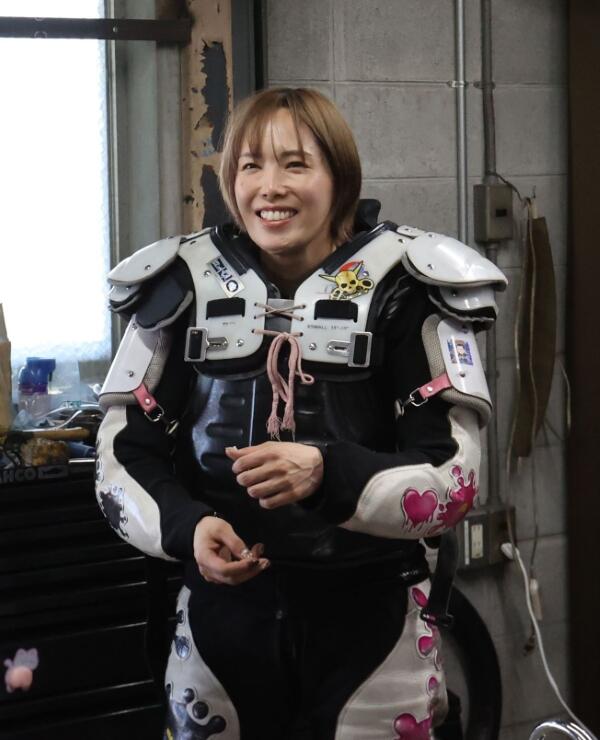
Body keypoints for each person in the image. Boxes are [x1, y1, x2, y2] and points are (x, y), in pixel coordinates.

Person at [95, 87, 506, 740]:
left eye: (295, 164)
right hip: (218, 622)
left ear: (338, 177)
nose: (270, 187)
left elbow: (455, 476)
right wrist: (188, 527)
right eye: (250, 165)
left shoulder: (409, 288)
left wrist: (326, 472)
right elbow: (122, 458)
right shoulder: (179, 284)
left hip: (372, 621)